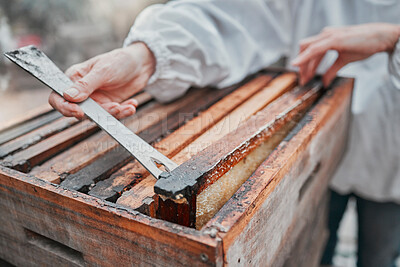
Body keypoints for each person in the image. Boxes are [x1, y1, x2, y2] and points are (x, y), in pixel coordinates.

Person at [48, 1, 400, 266]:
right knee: (315, 240)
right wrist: (146, 57)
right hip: (320, 152)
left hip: (393, 170)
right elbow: (235, 13)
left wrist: (393, 39)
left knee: (380, 252)